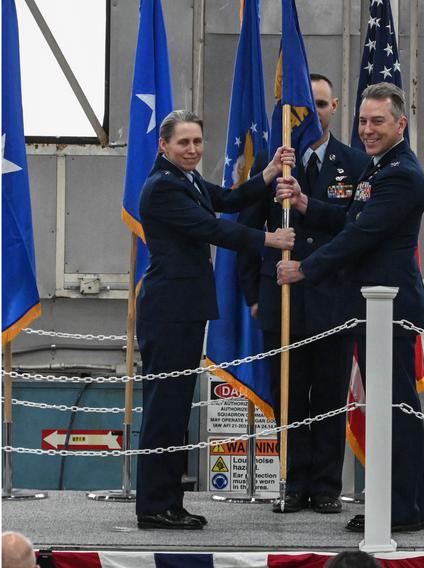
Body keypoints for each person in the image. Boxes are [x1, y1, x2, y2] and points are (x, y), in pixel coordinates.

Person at [276, 82, 424, 533]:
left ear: (400, 123)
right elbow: (349, 219)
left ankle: (403, 509)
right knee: (384, 409)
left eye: (377, 121)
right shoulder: (380, 168)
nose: (367, 129)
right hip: (370, 308)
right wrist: (307, 204)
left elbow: (360, 236)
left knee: (396, 409)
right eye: (362, 121)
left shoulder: (401, 174)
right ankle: (391, 502)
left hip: (391, 309)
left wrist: (307, 269)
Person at [136, 110, 296, 530]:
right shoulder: (162, 188)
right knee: (164, 412)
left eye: (197, 142)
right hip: (169, 310)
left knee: (174, 411)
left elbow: (226, 200)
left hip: (184, 310)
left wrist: (267, 173)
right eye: (183, 142)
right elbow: (213, 228)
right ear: (164, 146)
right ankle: (154, 505)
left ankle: (169, 501)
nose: (192, 149)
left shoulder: (184, 180)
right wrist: (270, 239)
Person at [237, 73, 369, 515]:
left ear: (334, 109)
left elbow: (358, 225)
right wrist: (252, 293)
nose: (312, 114)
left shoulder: (354, 163)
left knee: (330, 397)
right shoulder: (276, 166)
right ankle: (292, 483)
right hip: (282, 301)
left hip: (333, 298)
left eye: (321, 104)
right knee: (289, 397)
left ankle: (327, 486)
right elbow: (246, 228)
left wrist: (309, 205)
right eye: (303, 107)